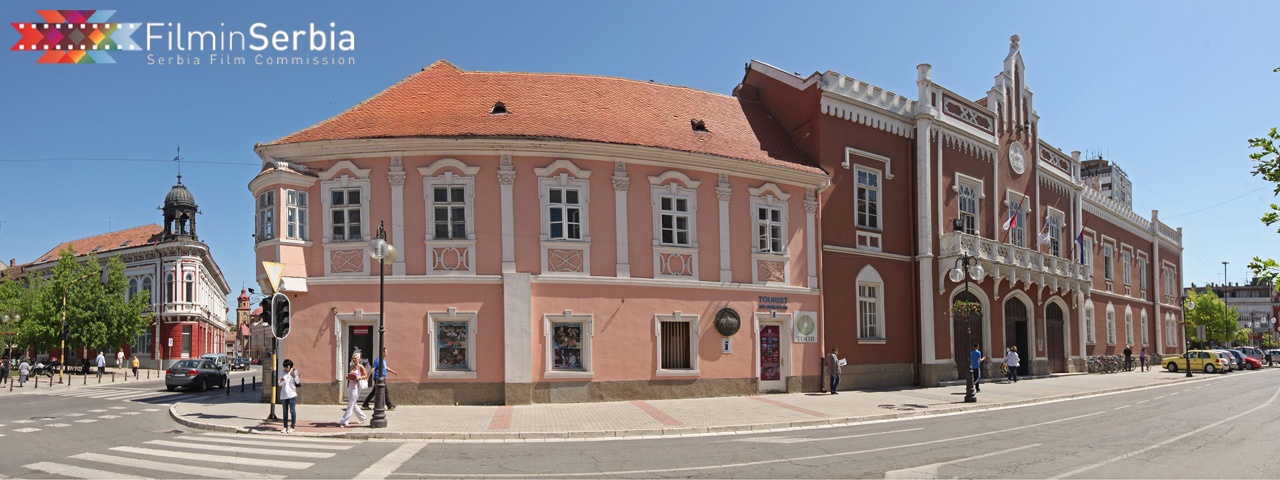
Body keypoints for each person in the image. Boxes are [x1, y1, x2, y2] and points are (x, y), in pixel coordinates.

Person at [339, 351, 369, 427]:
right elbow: (350, 375)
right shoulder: (351, 366)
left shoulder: (360, 367)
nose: (353, 359)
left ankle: (344, 421)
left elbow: (366, 376)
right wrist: (348, 377)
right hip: (350, 386)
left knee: (350, 404)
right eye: (353, 358)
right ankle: (362, 417)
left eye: (355, 358)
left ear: (358, 359)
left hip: (356, 387)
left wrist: (360, 377)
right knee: (353, 404)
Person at [279, 358, 300, 433]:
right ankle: (285, 427)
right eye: (284, 367)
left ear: (290, 366)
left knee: (292, 410)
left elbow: (297, 382)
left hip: (292, 394)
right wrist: (281, 381)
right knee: (285, 411)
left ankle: (292, 426)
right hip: (284, 394)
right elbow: (279, 383)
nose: (285, 368)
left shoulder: (294, 371)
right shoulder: (282, 372)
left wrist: (294, 376)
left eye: (286, 367)